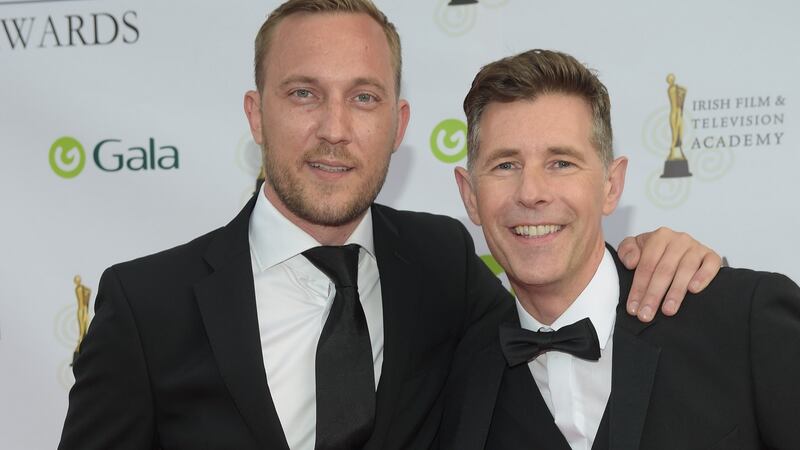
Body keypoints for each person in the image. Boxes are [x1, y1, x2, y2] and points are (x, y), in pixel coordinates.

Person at [58, 2, 722, 449]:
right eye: (303, 93)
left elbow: (555, 313)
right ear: (256, 115)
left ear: (399, 124)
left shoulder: (441, 262)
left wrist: (650, 256)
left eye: (364, 97)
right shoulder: (147, 308)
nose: (335, 128)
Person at [442, 49, 800, 449]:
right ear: (470, 196)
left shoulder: (743, 321)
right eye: (506, 165)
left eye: (561, 163)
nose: (531, 193)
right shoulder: (455, 381)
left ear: (611, 185)